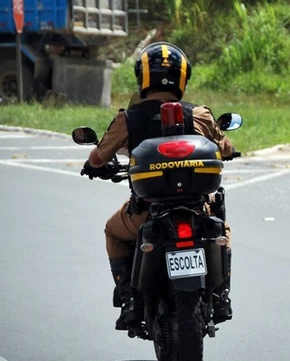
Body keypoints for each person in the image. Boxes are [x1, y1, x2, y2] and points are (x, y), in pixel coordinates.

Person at [81, 42, 236, 331]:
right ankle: (222, 295)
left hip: (147, 212)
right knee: (222, 231)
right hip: (197, 209)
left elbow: (98, 157)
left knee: (112, 231)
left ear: (143, 78)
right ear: (182, 78)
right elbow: (226, 149)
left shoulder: (127, 119)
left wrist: (94, 166)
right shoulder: (200, 115)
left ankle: (130, 300)